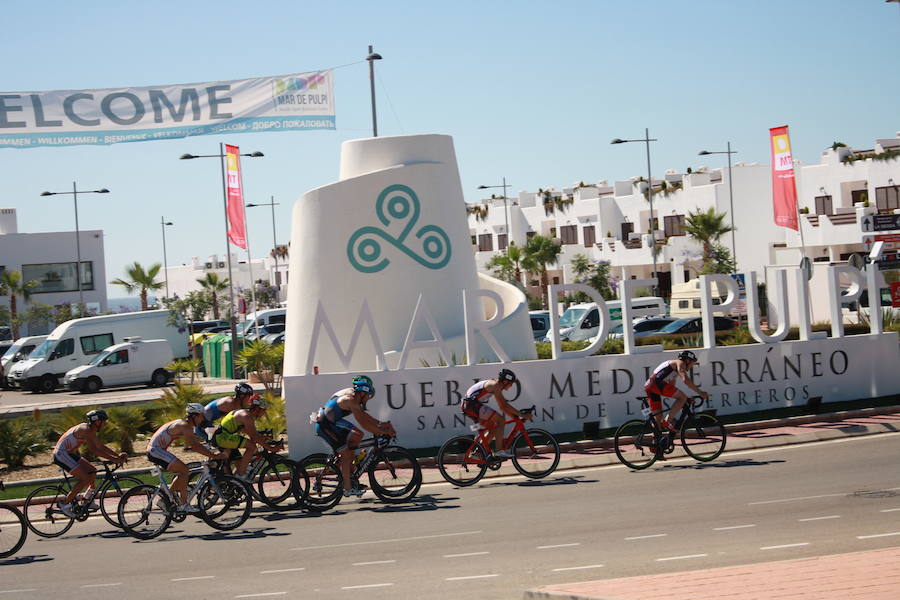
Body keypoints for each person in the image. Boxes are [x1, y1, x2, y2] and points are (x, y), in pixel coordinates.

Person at [312, 375, 395, 497]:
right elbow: (364, 423)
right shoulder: (351, 400)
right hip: (326, 425)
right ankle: (347, 488)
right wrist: (382, 432)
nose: (368, 399)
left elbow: (363, 416)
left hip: (330, 421)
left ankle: (349, 475)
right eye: (368, 396)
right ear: (362, 393)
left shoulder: (352, 394)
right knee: (346, 451)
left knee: (355, 440)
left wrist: (380, 424)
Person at [146, 403, 228, 514]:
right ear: (194, 416)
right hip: (155, 451)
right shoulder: (185, 426)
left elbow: (196, 441)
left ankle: (165, 499)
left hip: (156, 450)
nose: (202, 419)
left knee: (183, 471)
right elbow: (194, 445)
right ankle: (183, 504)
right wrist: (214, 456)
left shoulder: (183, 423)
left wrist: (209, 446)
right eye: (201, 416)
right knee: (184, 470)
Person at [51, 409, 127, 518]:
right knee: (85, 479)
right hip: (61, 454)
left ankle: (87, 500)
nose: (105, 424)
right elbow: (95, 450)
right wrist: (114, 459)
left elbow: (100, 446)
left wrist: (117, 455)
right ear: (97, 422)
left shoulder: (90, 431)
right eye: (104, 422)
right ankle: (64, 504)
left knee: (92, 471)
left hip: (67, 454)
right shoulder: (85, 430)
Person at [460, 368, 527, 460]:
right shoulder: (495, 385)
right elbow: (504, 405)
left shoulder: (495, 385)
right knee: (500, 420)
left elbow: (502, 407)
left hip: (470, 405)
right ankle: (499, 451)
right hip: (471, 405)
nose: (511, 386)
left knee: (493, 427)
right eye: (511, 383)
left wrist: (515, 416)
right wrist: (521, 414)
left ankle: (479, 452)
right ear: (505, 381)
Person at [211, 394, 282, 480]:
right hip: (222, 437)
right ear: (257, 408)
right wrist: (271, 448)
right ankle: (240, 476)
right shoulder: (246, 417)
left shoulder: (246, 414)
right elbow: (254, 437)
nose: (264, 413)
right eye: (263, 410)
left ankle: (235, 483)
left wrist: (263, 439)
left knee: (240, 463)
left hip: (223, 437)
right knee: (251, 446)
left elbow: (250, 433)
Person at [644, 350, 709, 434]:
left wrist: (684, 399)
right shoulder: (680, 363)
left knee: (657, 419)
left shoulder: (673, 368)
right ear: (687, 360)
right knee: (682, 397)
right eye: (692, 363)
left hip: (649, 386)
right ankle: (667, 421)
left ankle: (656, 443)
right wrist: (700, 393)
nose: (692, 366)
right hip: (656, 384)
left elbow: (671, 387)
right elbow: (685, 380)